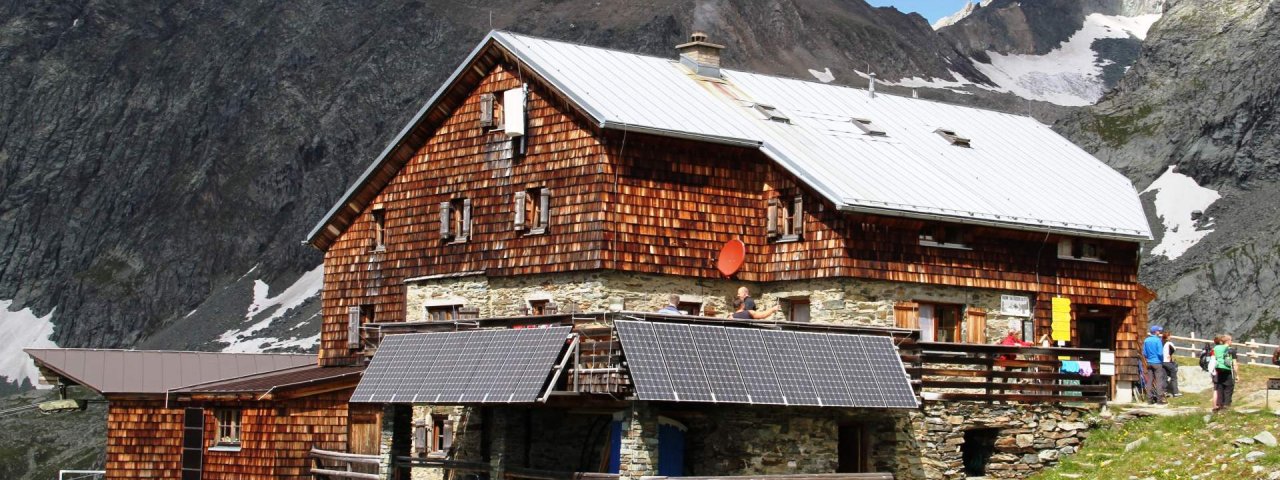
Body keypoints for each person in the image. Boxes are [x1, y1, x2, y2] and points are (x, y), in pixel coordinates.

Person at [1141, 325, 1167, 405]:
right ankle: (1159, 399)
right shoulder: (1157, 340)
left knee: (1149, 381)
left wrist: (1149, 357)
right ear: (1156, 332)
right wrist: (1162, 359)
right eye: (1159, 331)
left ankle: (1149, 399)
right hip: (1157, 362)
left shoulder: (1146, 340)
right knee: (1159, 381)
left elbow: (1144, 353)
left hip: (1149, 362)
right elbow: (1160, 353)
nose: (1160, 332)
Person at [1212, 334, 1237, 412]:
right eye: (1231, 340)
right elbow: (1234, 363)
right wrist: (1237, 374)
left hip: (1218, 370)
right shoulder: (1231, 350)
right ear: (1228, 341)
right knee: (1229, 388)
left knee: (1220, 388)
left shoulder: (1216, 348)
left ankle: (1220, 405)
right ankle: (1226, 405)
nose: (1231, 342)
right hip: (1228, 370)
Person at [1161, 330, 1180, 397]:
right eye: (1170, 335)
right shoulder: (1169, 343)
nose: (1170, 337)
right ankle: (1175, 392)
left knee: (1164, 377)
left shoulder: (1161, 343)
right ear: (1168, 337)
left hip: (1162, 362)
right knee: (1173, 377)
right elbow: (1174, 349)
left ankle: (1164, 392)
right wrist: (1170, 354)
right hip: (1168, 361)